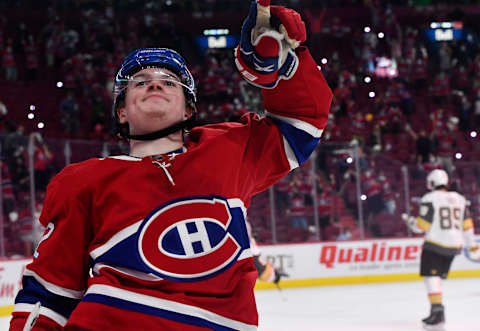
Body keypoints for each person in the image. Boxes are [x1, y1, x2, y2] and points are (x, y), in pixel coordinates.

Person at [10, 1, 332, 330]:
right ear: (121, 113)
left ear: (188, 109)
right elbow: (49, 294)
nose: (154, 83)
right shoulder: (83, 181)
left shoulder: (229, 150)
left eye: (168, 81)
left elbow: (304, 124)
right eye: (140, 81)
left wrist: (283, 67)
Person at [403, 169, 479, 331]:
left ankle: (437, 312)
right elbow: (467, 226)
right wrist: (472, 246)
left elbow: (421, 226)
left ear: (431, 183)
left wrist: (410, 221)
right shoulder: (459, 198)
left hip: (436, 243)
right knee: (435, 278)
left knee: (431, 277)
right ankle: (437, 311)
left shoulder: (429, 198)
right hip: (455, 245)